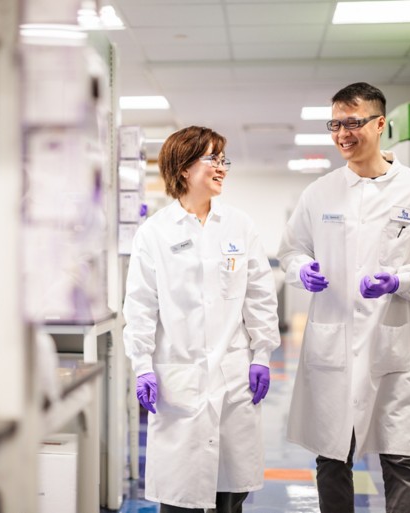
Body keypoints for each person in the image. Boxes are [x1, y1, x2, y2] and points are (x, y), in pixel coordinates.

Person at [277, 82, 410, 513]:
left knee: (401, 458)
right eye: (336, 124)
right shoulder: (319, 193)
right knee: (331, 456)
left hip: (392, 348)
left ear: (380, 124)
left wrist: (399, 281)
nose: (343, 133)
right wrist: (302, 270)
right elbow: (291, 250)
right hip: (333, 346)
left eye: (354, 122)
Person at [123, 126, 280, 512]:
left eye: (224, 159)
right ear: (183, 168)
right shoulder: (154, 233)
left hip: (232, 376)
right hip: (180, 380)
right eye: (213, 159)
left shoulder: (239, 226)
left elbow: (260, 295)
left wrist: (261, 355)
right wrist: (142, 365)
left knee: (230, 496)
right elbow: (141, 305)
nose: (222, 168)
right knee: (180, 496)